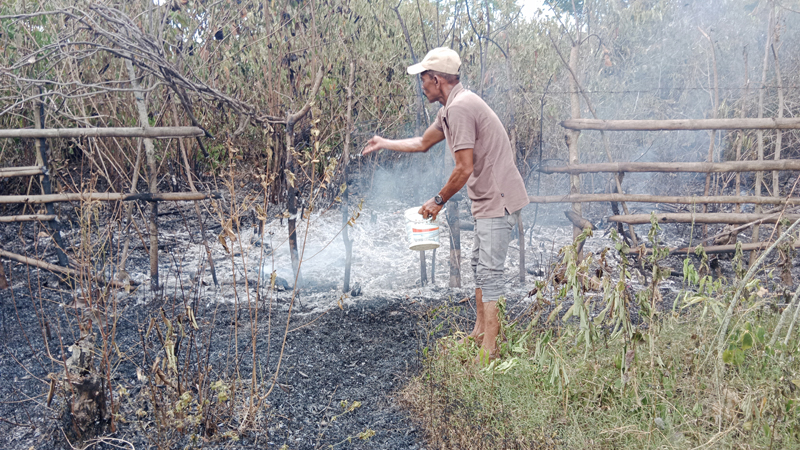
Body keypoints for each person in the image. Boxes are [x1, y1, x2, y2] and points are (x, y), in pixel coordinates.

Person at [362, 47, 529, 363]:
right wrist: (383, 142)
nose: (422, 85)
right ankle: (480, 335)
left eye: (423, 79)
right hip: (488, 199)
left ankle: (489, 352)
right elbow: (423, 143)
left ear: (436, 79)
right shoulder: (451, 108)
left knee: (489, 275)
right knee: (481, 267)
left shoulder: (462, 109)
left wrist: (438, 201)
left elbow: (463, 168)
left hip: (498, 199)